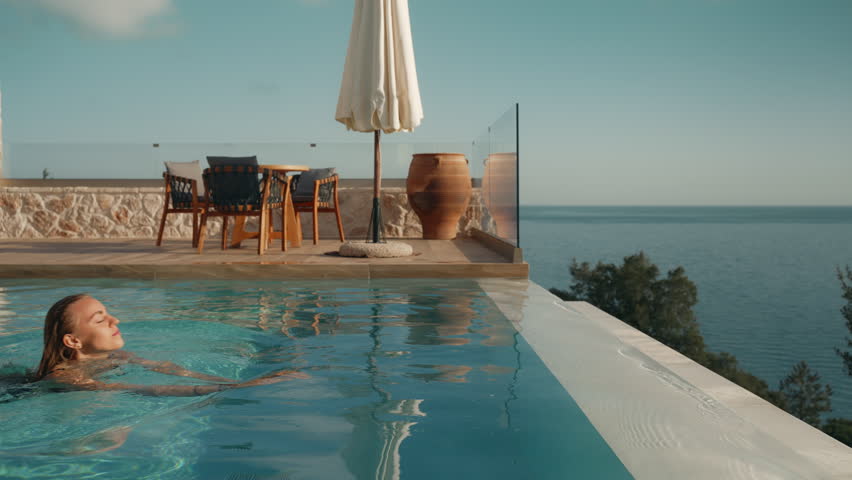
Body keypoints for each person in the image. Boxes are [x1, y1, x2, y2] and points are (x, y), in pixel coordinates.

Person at [35, 293, 307, 396]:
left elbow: (170, 370)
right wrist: (242, 387)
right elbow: (146, 389)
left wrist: (236, 383)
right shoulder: (67, 379)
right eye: (100, 319)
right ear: (73, 341)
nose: (114, 319)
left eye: (108, 312)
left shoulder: (117, 357)